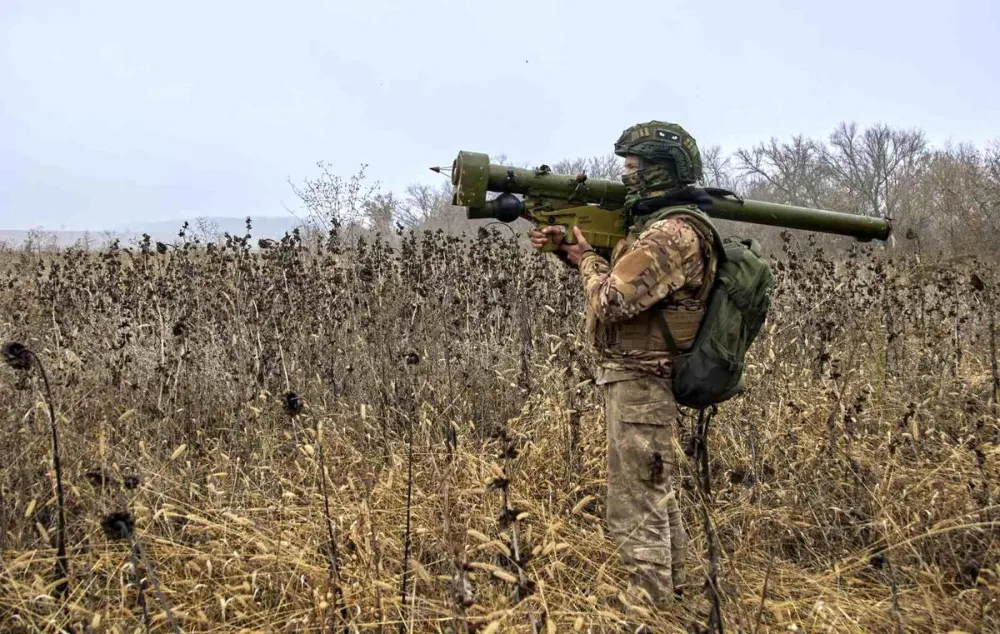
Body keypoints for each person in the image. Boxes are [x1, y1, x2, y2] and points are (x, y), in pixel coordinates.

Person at [528, 121, 718, 607]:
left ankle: (648, 606)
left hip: (643, 381)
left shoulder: (671, 234)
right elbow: (623, 283)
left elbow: (612, 300)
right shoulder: (658, 229)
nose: (626, 177)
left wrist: (587, 259)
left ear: (660, 171)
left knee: (637, 503)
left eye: (633, 168)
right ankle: (681, 596)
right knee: (655, 493)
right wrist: (575, 255)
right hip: (635, 379)